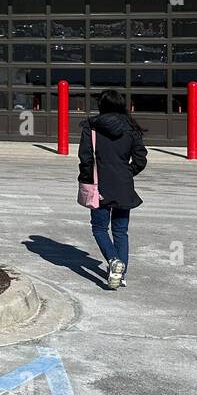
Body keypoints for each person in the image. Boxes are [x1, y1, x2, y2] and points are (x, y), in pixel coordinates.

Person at [78, 89, 148, 290]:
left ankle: (113, 260)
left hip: (99, 184)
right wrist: (127, 173)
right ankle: (121, 274)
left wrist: (86, 178)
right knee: (121, 231)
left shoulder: (91, 127)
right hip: (124, 186)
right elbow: (141, 159)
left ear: (102, 105)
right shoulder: (131, 127)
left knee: (99, 228)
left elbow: (85, 158)